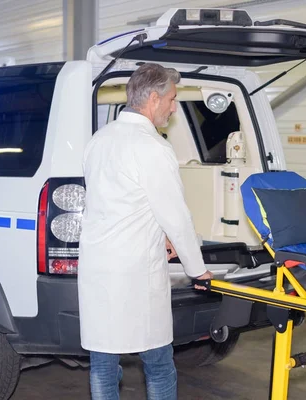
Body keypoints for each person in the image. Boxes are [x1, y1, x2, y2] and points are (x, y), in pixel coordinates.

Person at [78, 63, 213, 400]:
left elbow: (118, 204)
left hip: (97, 270)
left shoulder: (98, 141)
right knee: (158, 362)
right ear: (154, 99)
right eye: (172, 99)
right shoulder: (152, 147)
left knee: (103, 366)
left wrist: (160, 235)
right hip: (134, 275)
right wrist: (198, 269)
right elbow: (176, 217)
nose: (173, 106)